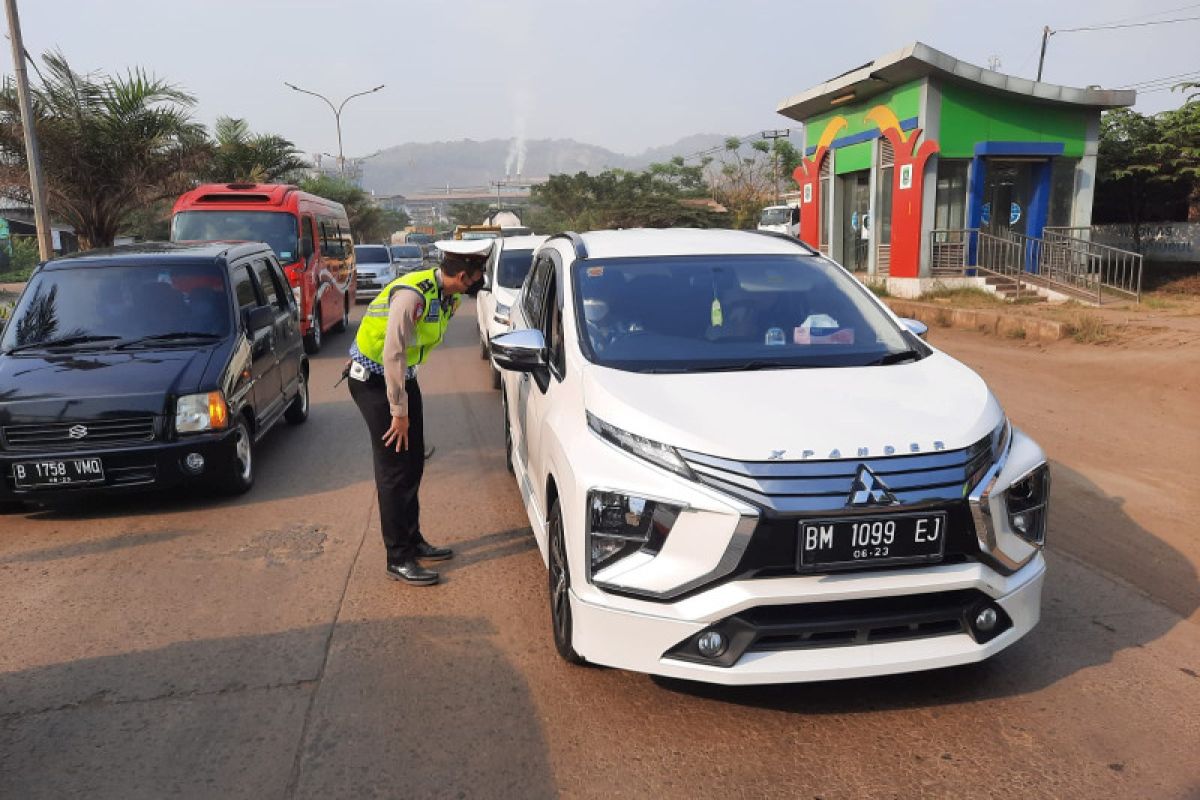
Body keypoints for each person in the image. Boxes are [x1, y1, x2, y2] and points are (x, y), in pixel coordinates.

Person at [347, 239, 489, 585]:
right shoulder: (412, 297)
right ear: (462, 275)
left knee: (413, 462)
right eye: (476, 276)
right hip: (374, 381)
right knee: (394, 470)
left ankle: (413, 539)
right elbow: (393, 353)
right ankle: (398, 557)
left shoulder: (449, 296)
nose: (479, 282)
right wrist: (398, 410)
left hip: (402, 378)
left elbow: (412, 352)